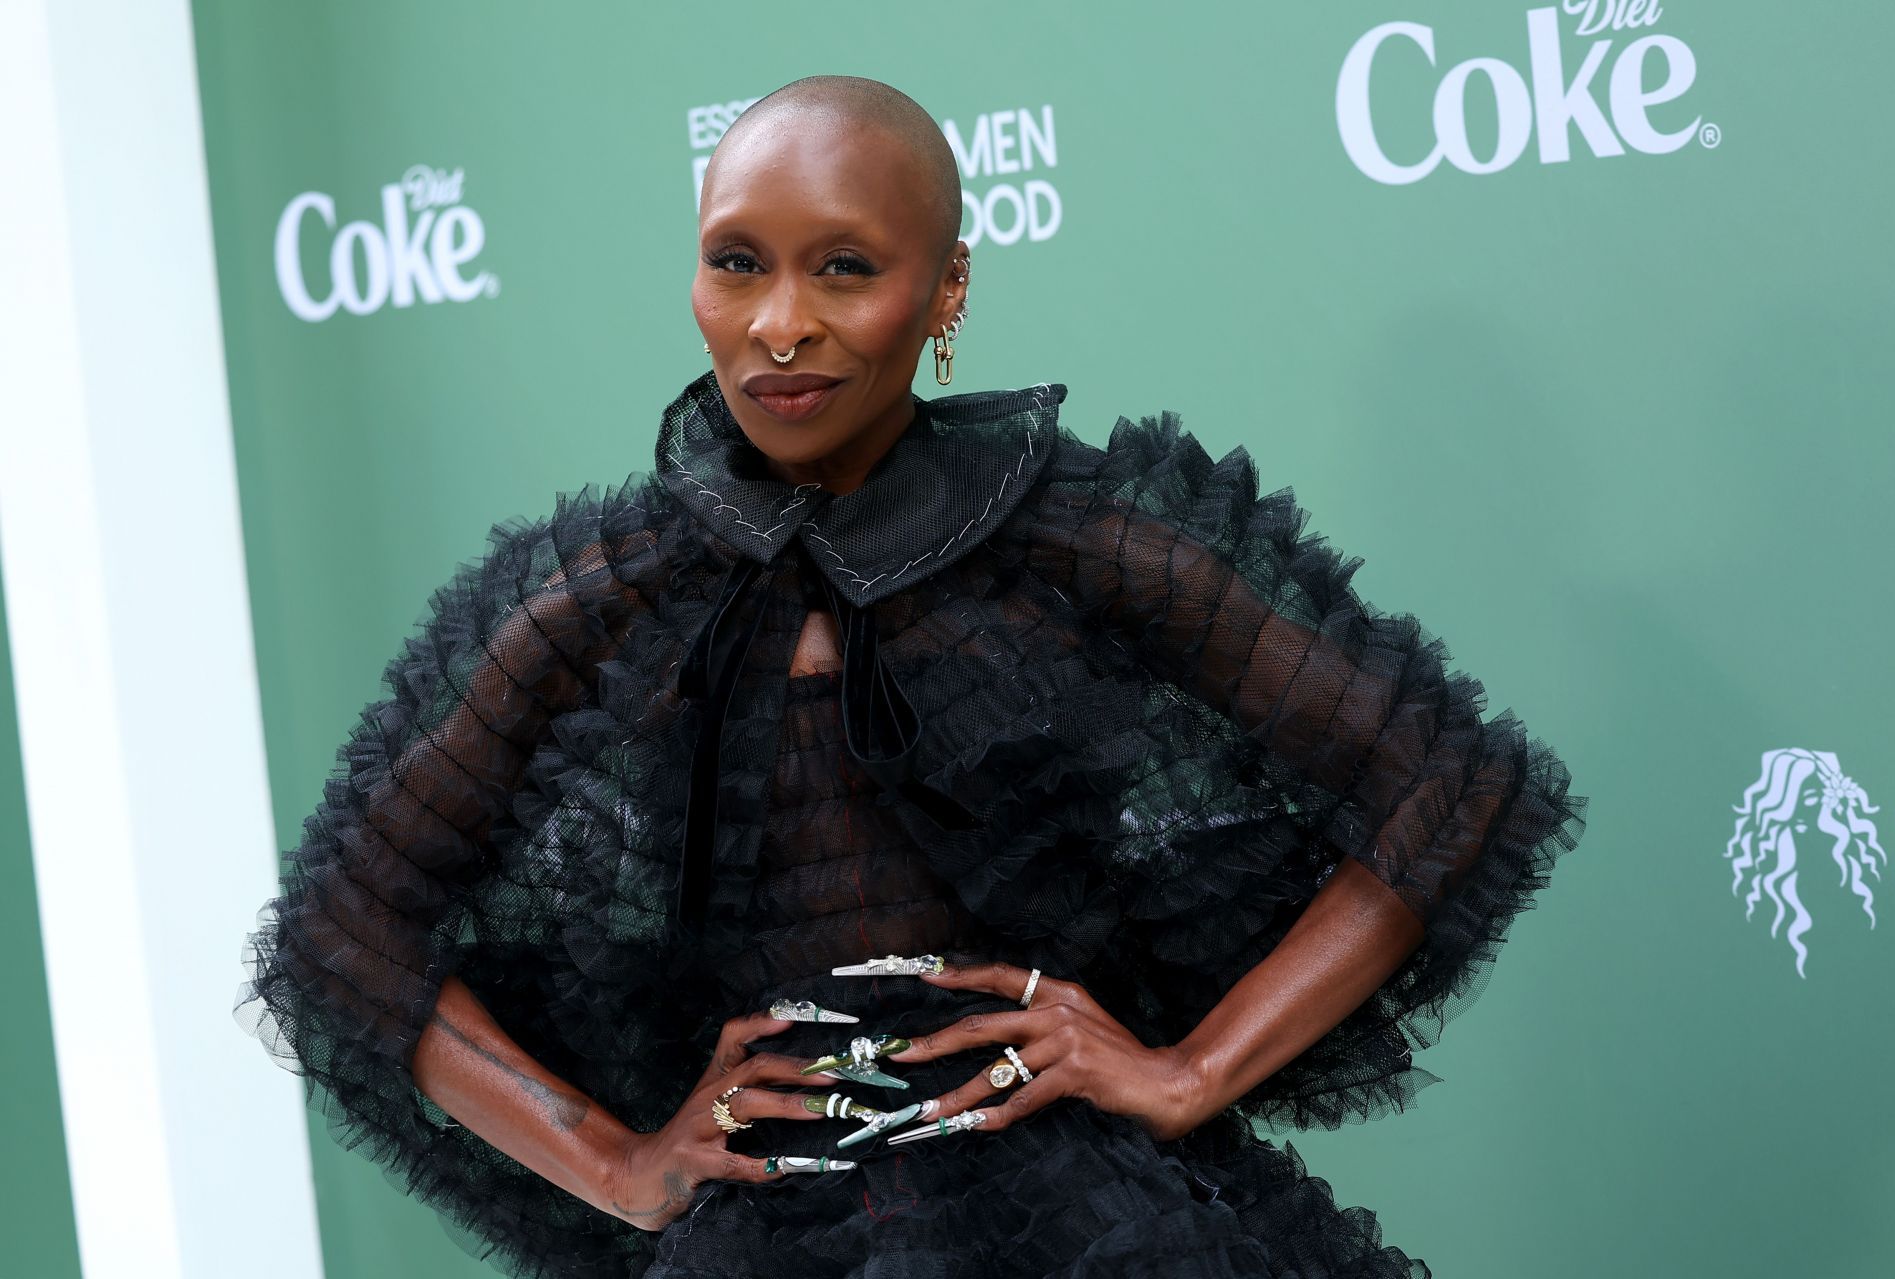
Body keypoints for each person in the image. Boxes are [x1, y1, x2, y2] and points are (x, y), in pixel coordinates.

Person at [233, 74, 1588, 1278]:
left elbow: (1444, 791)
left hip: (1081, 1220)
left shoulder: (1078, 540)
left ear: (947, 291)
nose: (779, 324)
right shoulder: (598, 598)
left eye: (843, 268)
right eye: (737, 262)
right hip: (770, 1232)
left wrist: (1191, 1071)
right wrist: (611, 1159)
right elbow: (346, 934)